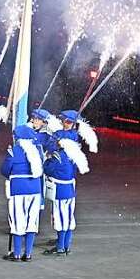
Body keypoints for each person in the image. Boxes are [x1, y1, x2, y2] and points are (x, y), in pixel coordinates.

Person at [43, 110, 90, 256]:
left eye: (69, 122)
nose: (65, 123)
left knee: (60, 217)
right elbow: (51, 144)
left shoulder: (60, 155)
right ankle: (65, 244)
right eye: (65, 121)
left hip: (60, 187)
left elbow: (48, 165)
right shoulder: (73, 154)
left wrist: (54, 145)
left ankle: (61, 247)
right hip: (69, 186)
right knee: (68, 217)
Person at [1, 124, 44, 262]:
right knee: (32, 221)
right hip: (35, 189)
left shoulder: (14, 150)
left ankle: (17, 253)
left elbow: (5, 170)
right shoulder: (37, 150)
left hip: (18, 189)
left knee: (17, 220)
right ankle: (29, 253)